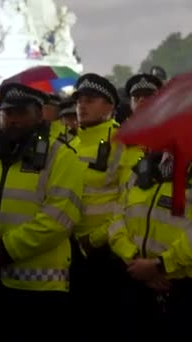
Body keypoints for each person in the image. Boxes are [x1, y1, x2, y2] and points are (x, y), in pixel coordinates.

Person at [0, 83, 84, 341]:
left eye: (21, 113)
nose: (13, 120)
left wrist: (5, 248)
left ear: (39, 115)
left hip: (40, 287)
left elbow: (59, 218)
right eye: (8, 113)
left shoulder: (61, 156)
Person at [109, 151, 192, 341]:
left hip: (181, 291)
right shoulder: (142, 168)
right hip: (134, 278)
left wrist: (158, 265)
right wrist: (134, 258)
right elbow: (117, 218)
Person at [69, 73, 142, 341]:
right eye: (79, 101)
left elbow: (130, 200)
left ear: (110, 107)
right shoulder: (71, 144)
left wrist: (97, 238)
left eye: (90, 100)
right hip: (71, 251)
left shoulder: (124, 143)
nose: (81, 106)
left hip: (106, 255)